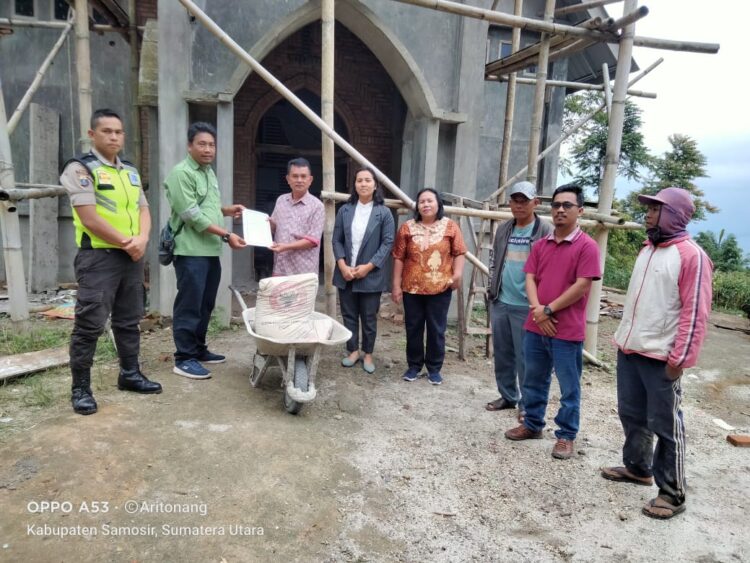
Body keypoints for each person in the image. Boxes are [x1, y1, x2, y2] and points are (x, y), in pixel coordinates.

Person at [601, 187, 713, 520]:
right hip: (631, 349)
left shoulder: (692, 256)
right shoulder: (648, 249)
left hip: (662, 358)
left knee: (666, 425)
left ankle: (673, 492)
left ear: (676, 214)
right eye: (649, 209)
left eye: (655, 209)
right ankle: (638, 468)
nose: (648, 214)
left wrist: (680, 359)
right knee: (632, 414)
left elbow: (695, 313)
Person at [60, 108, 162, 415]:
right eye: (107, 131)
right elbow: (89, 217)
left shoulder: (129, 170)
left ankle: (129, 374)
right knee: (89, 324)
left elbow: (143, 208)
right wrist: (126, 243)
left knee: (129, 320)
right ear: (92, 134)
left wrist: (142, 240)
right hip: (99, 258)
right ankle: (81, 389)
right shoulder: (79, 168)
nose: (114, 136)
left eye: (118, 131)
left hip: (131, 256)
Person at [503, 184, 601, 460]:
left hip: (566, 330)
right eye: (556, 205)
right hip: (536, 325)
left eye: (567, 205)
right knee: (534, 379)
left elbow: (582, 286)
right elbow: (530, 277)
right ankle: (532, 424)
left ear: (579, 211)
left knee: (569, 387)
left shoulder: (587, 246)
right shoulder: (541, 244)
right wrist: (537, 310)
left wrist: (548, 310)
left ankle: (566, 435)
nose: (560, 210)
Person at [164, 122, 247, 379]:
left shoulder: (208, 172)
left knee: (205, 303)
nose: (208, 149)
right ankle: (184, 358)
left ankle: (198, 349)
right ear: (190, 146)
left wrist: (226, 210)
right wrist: (227, 234)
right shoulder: (181, 173)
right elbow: (193, 217)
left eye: (211, 144)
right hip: (190, 251)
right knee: (189, 303)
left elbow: (207, 208)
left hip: (210, 251)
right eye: (202, 144)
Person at [486, 181, 553, 417]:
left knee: (528, 359)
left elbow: (551, 269)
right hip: (502, 301)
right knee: (503, 355)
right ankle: (508, 396)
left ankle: (528, 405)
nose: (519, 205)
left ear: (536, 202)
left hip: (528, 306)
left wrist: (542, 305)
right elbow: (494, 262)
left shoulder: (545, 231)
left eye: (524, 200)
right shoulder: (504, 229)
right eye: (515, 200)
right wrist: (491, 290)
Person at [391, 188, 466, 385]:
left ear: (438, 204)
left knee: (436, 328)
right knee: (413, 327)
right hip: (411, 288)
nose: (425, 204)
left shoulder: (450, 227)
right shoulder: (407, 227)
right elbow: (399, 257)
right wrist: (396, 284)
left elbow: (459, 252)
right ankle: (414, 366)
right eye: (421, 201)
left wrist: (457, 275)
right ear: (417, 206)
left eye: (429, 201)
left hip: (440, 288)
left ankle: (434, 368)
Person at [332, 167, 395, 374]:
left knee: (369, 317)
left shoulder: (383, 213)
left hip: (371, 274)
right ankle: (353, 351)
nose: (363, 184)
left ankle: (368, 353)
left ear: (375, 185)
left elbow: (387, 243)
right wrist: (342, 265)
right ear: (355, 185)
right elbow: (336, 240)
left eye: (368, 180)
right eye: (359, 180)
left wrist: (368, 267)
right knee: (349, 314)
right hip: (346, 273)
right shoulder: (345, 210)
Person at [268, 157, 325, 276]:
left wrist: (286, 247)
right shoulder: (281, 200)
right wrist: (265, 223)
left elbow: (313, 241)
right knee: (279, 295)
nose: (299, 180)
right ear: (288, 179)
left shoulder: (317, 206)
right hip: (280, 268)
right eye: (295, 176)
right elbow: (274, 228)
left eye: (303, 176)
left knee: (302, 296)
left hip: (303, 272)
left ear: (310, 180)